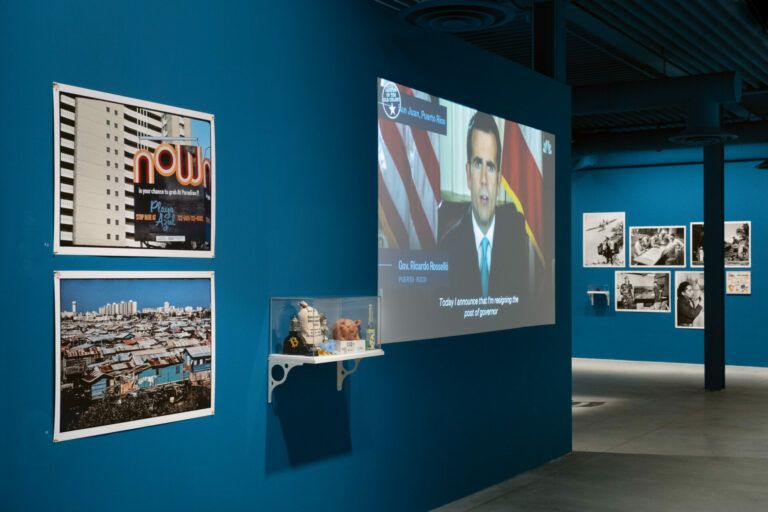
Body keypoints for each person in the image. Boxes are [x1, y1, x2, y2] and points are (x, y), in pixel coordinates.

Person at [439, 111, 528, 299]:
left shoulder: (516, 236)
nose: (484, 180)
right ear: (468, 174)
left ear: (498, 179)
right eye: (478, 164)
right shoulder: (447, 248)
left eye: (491, 167)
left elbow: (522, 308)